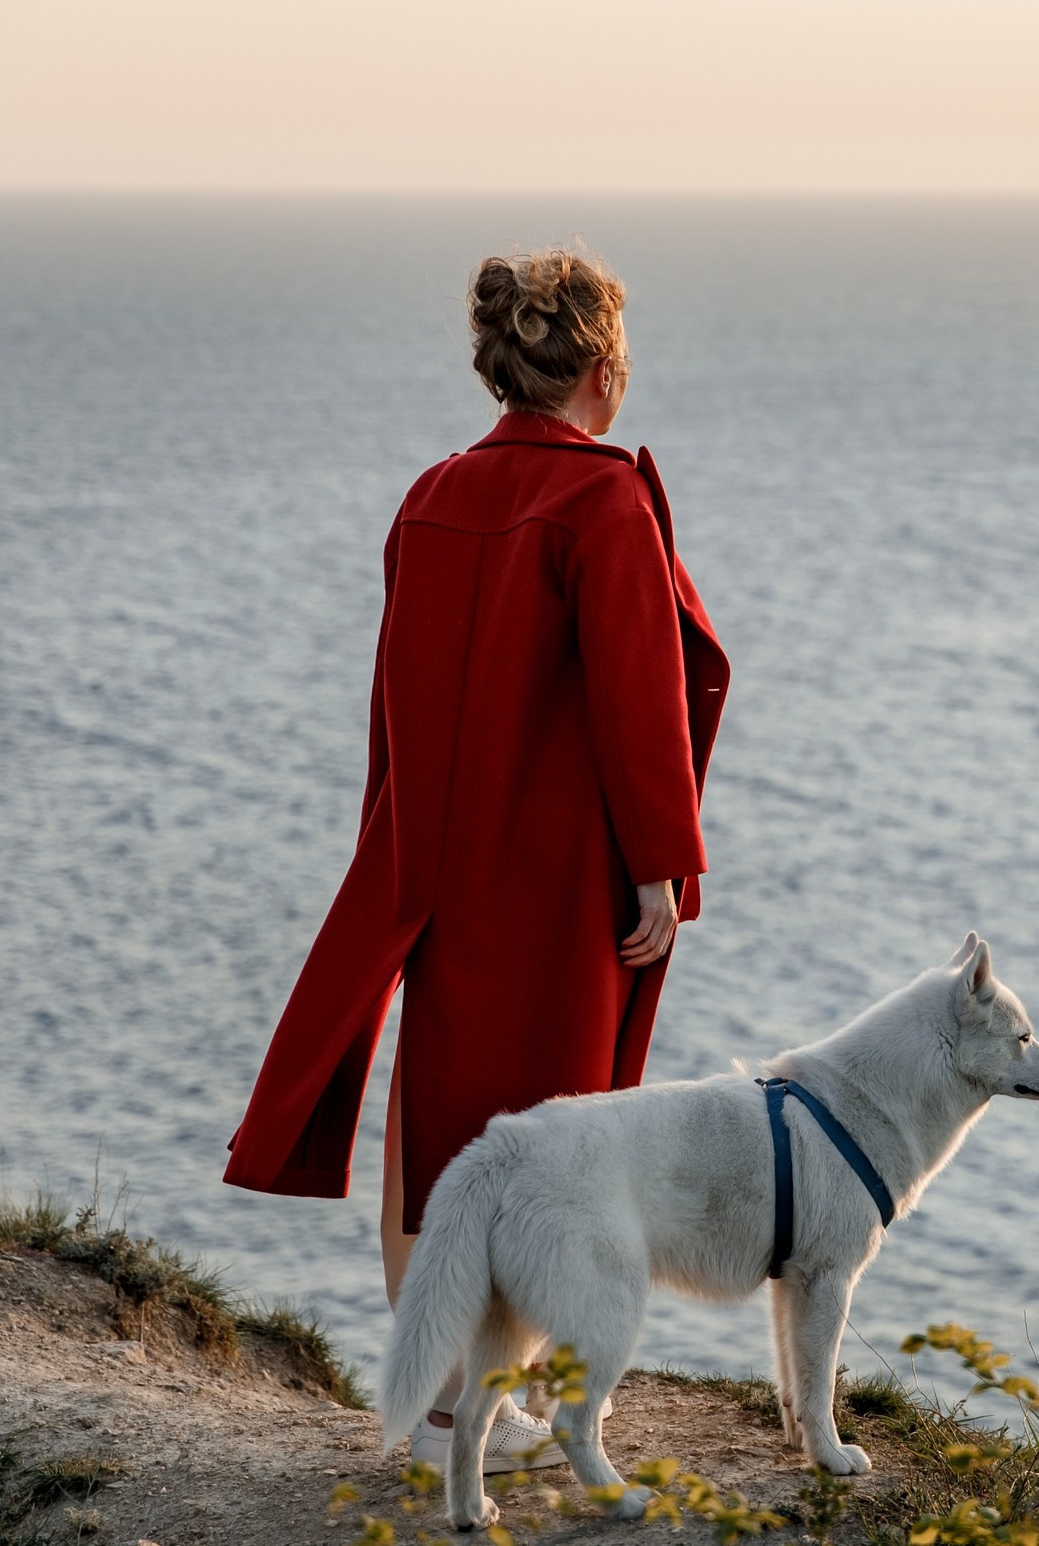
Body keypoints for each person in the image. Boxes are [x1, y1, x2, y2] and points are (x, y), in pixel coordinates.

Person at [224, 247, 728, 1471]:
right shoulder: (603, 500)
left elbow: (394, 702)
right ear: (603, 367)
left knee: (438, 1120)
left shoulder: (431, 493)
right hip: (558, 880)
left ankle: (440, 1399)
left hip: (437, 867)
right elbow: (637, 695)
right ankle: (498, 1409)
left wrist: (392, 857)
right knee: (557, 1136)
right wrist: (660, 865)